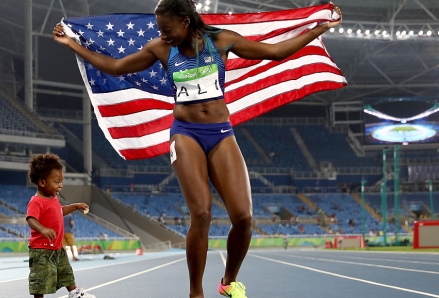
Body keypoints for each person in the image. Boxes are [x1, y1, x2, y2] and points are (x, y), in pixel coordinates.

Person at [53, 1, 342, 297]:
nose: (163, 34)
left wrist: (319, 28)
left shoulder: (221, 41)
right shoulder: (161, 48)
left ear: (185, 22)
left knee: (243, 217)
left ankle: (228, 282)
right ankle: (195, 292)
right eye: (159, 29)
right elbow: (114, 67)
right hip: (186, 134)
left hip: (220, 133)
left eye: (167, 28)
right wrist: (71, 44)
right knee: (201, 213)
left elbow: (275, 51)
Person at [26, 153, 95, 298]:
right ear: (42, 182)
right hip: (41, 250)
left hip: (57, 248)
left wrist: (75, 206)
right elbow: (31, 219)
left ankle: (74, 292)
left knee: (66, 271)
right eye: (57, 182)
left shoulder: (53, 199)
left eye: (61, 182)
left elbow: (59, 211)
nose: (61, 185)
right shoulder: (36, 201)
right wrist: (42, 229)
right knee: (41, 278)